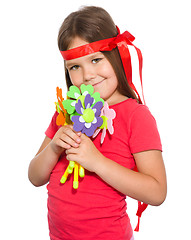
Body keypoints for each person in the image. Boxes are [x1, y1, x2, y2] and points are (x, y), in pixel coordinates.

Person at [28, 6, 167, 240]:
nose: (88, 75)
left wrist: (97, 162)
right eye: (75, 67)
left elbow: (157, 192)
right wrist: (53, 148)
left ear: (116, 54)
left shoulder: (136, 116)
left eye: (95, 59)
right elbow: (35, 177)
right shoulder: (66, 113)